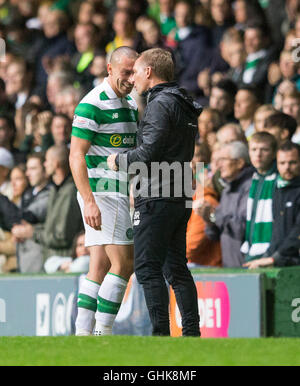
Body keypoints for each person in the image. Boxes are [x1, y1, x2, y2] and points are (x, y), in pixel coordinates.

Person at [107, 48, 201, 337]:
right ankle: (192, 334)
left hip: (157, 194)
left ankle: (160, 335)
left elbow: (150, 151)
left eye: (135, 71)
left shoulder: (160, 103)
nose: (133, 79)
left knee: (147, 268)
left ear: (148, 71)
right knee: (176, 267)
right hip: (180, 191)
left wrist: (119, 160)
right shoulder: (184, 103)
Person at [69, 46, 139, 336]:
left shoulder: (131, 104)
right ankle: (103, 333)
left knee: (99, 265)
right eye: (125, 73)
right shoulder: (91, 104)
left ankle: (83, 334)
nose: (131, 79)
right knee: (124, 263)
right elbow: (76, 155)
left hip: (119, 191)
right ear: (109, 70)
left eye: (134, 73)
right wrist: (89, 201)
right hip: (102, 191)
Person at [244, 141, 300, 268]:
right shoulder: (278, 188)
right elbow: (277, 233)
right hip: (279, 260)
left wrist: (275, 258)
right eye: (282, 163)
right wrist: (269, 256)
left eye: (292, 163)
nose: (287, 167)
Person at [198, 141, 253, 267]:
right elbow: (215, 235)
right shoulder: (227, 189)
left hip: (247, 267)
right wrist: (208, 220)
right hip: (229, 266)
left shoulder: (250, 187)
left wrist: (215, 215)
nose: (218, 165)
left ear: (239, 163)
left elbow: (242, 228)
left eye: (223, 159)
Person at [240, 132, 278, 262]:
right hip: (250, 250)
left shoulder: (279, 180)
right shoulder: (251, 179)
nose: (258, 154)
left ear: (274, 153)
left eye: (264, 150)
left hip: (271, 253)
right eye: (254, 149)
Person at [11, 152, 52, 273]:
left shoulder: (51, 193)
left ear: (45, 171)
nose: (28, 173)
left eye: (33, 169)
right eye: (27, 169)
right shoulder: (27, 194)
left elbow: (26, 216)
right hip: (23, 263)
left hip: (40, 262)